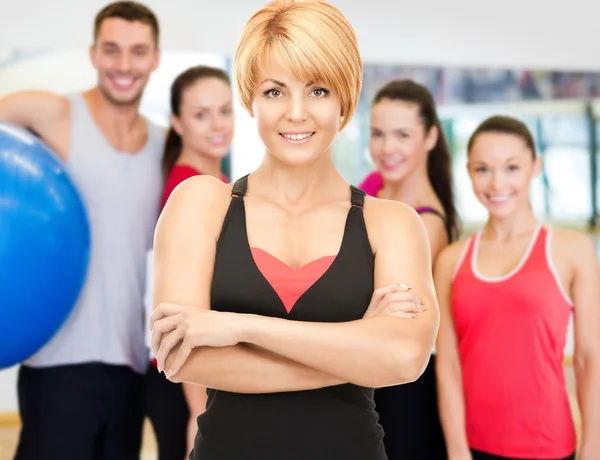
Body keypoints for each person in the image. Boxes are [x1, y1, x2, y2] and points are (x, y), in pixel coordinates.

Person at [148, 0, 440, 459]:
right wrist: (359, 345)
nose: (297, 113)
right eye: (275, 91)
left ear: (346, 96)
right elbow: (184, 357)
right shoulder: (201, 204)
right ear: (250, 98)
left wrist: (240, 327)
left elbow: (406, 358)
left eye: (319, 90)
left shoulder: (393, 224)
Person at [0, 2, 164, 459]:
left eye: (137, 51)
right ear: (93, 54)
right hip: (59, 363)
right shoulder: (54, 113)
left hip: (131, 364)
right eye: (112, 50)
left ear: (155, 58)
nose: (124, 65)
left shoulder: (162, 143)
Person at [435, 115, 600, 460]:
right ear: (468, 171)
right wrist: (456, 449)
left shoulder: (572, 249)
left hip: (549, 444)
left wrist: (593, 448)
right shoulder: (451, 260)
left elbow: (589, 359)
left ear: (535, 167)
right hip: (473, 445)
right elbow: (448, 364)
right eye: (483, 169)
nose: (497, 184)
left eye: (511, 168)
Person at [359, 79, 458, 459]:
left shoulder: (428, 225)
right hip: (363, 375)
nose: (387, 148)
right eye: (378, 134)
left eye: (402, 135)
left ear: (431, 136)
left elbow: (384, 321)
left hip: (402, 390)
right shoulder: (371, 189)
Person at [144, 65, 233, 460]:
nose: (218, 124)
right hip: (187, 374)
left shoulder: (215, 179)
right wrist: (200, 409)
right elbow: (182, 308)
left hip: (203, 367)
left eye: (225, 110)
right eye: (201, 114)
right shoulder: (188, 188)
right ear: (177, 123)